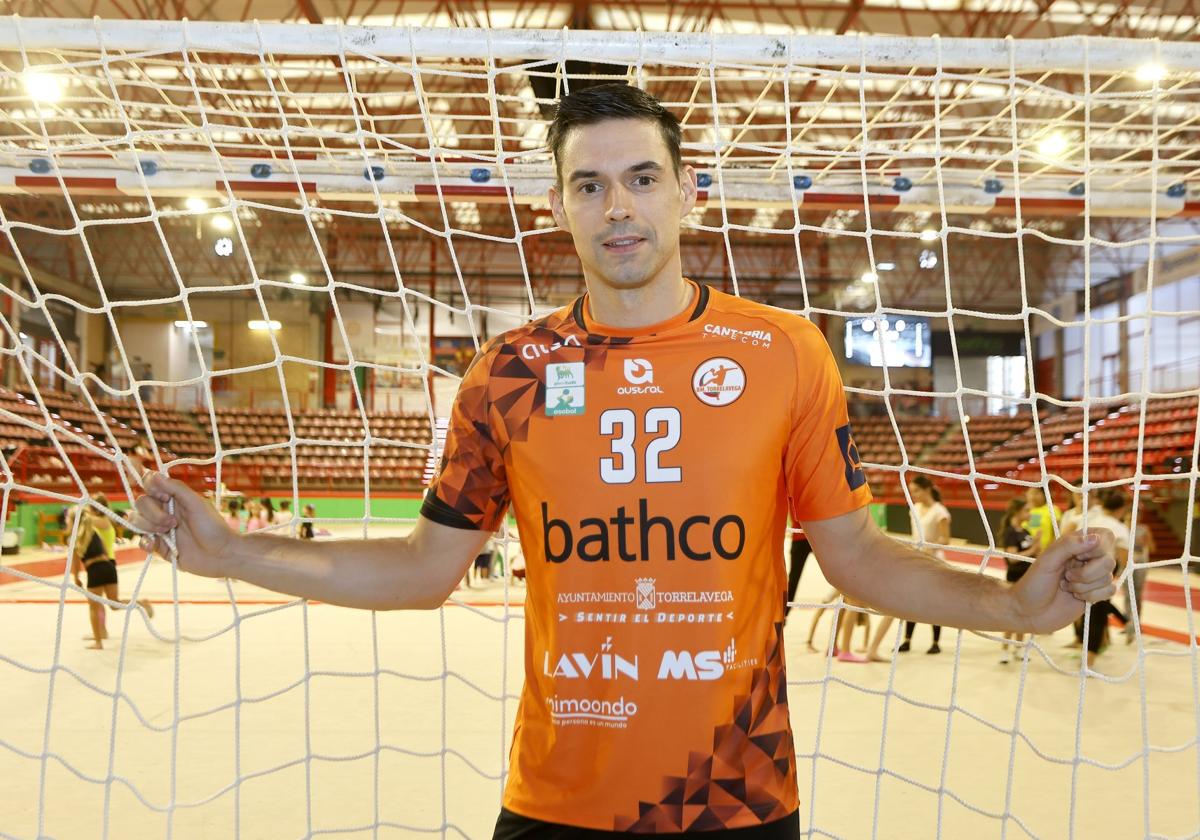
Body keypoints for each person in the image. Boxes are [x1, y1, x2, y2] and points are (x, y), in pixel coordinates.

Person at [131, 83, 1116, 839]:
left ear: (687, 191)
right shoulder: (509, 372)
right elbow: (425, 568)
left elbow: (856, 557)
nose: (620, 207)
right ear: (559, 204)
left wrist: (1013, 605)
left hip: (735, 799)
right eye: (590, 184)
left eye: (642, 178)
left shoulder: (783, 353)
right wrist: (234, 554)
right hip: (555, 803)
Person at [68, 506, 153, 649]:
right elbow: (105, 551)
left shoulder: (75, 537)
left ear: (73, 522)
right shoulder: (94, 532)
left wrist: (76, 578)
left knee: (94, 607)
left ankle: (98, 641)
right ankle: (142, 603)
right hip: (108, 567)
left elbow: (74, 562)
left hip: (95, 569)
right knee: (114, 604)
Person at [1077, 490, 1130, 670]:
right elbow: (1124, 558)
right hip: (1102, 574)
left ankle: (1087, 651)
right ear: (1121, 509)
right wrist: (1119, 577)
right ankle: (1088, 661)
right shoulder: (1119, 527)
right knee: (1098, 617)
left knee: (1086, 613)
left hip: (1081, 570)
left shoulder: (1090, 521)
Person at [897, 475, 948, 655]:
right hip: (916, 559)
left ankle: (935, 642)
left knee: (935, 603)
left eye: (916, 491)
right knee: (911, 600)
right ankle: (907, 640)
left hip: (934, 561)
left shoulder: (940, 511)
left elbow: (945, 539)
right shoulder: (915, 509)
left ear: (927, 489)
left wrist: (930, 548)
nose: (914, 495)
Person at [999, 497, 1039, 664]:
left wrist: (1037, 542)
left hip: (1027, 577)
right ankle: (1005, 650)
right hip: (1015, 577)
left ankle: (1019, 648)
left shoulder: (1026, 531)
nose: (1030, 514)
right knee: (1012, 614)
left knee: (1024, 614)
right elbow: (1013, 558)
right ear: (1017, 512)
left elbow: (1035, 553)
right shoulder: (1010, 532)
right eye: (1027, 510)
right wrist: (1033, 549)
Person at [1123, 503, 1155, 644]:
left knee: (1137, 594)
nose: (1131, 520)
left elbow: (1153, 548)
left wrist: (1146, 542)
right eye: (1129, 518)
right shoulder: (1122, 529)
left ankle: (1136, 622)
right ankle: (1129, 621)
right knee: (1127, 595)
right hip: (1126, 564)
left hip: (1140, 564)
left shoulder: (1144, 530)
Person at [783, 528, 811, 624]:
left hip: (812, 536)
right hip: (805, 537)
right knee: (793, 580)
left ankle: (783, 614)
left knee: (793, 580)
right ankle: (783, 614)